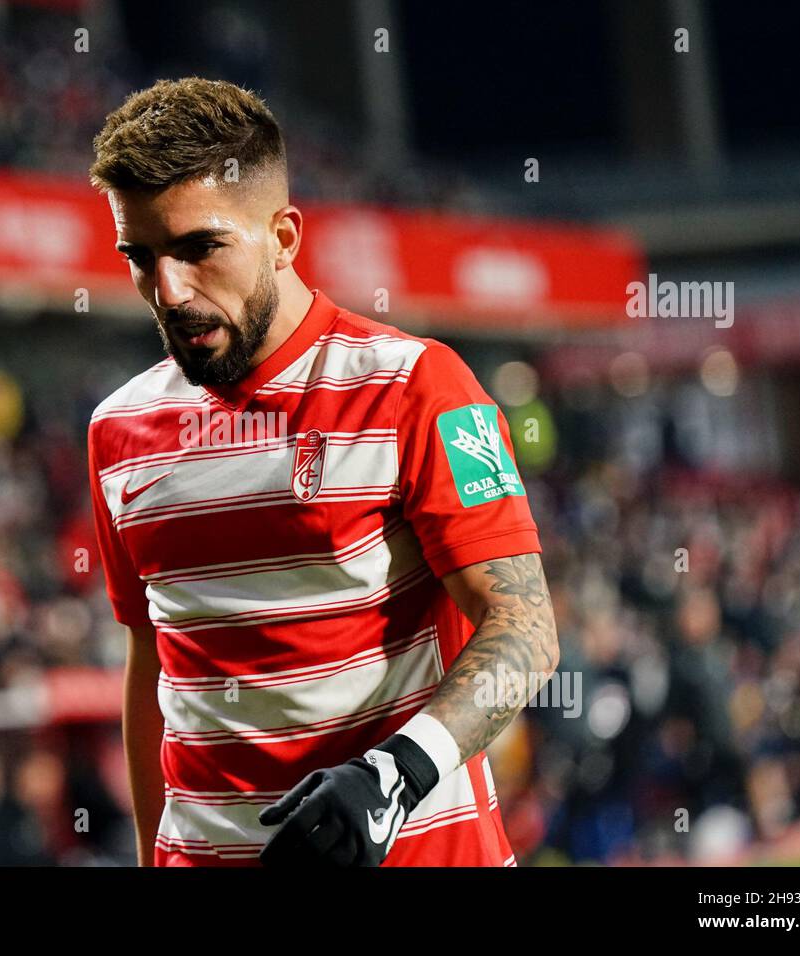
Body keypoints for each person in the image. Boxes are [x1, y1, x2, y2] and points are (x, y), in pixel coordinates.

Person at [86, 77, 559, 867]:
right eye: (143, 257)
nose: (170, 291)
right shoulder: (116, 428)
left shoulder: (420, 384)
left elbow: (527, 631)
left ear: (284, 235)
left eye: (201, 247)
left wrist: (395, 774)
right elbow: (152, 664)